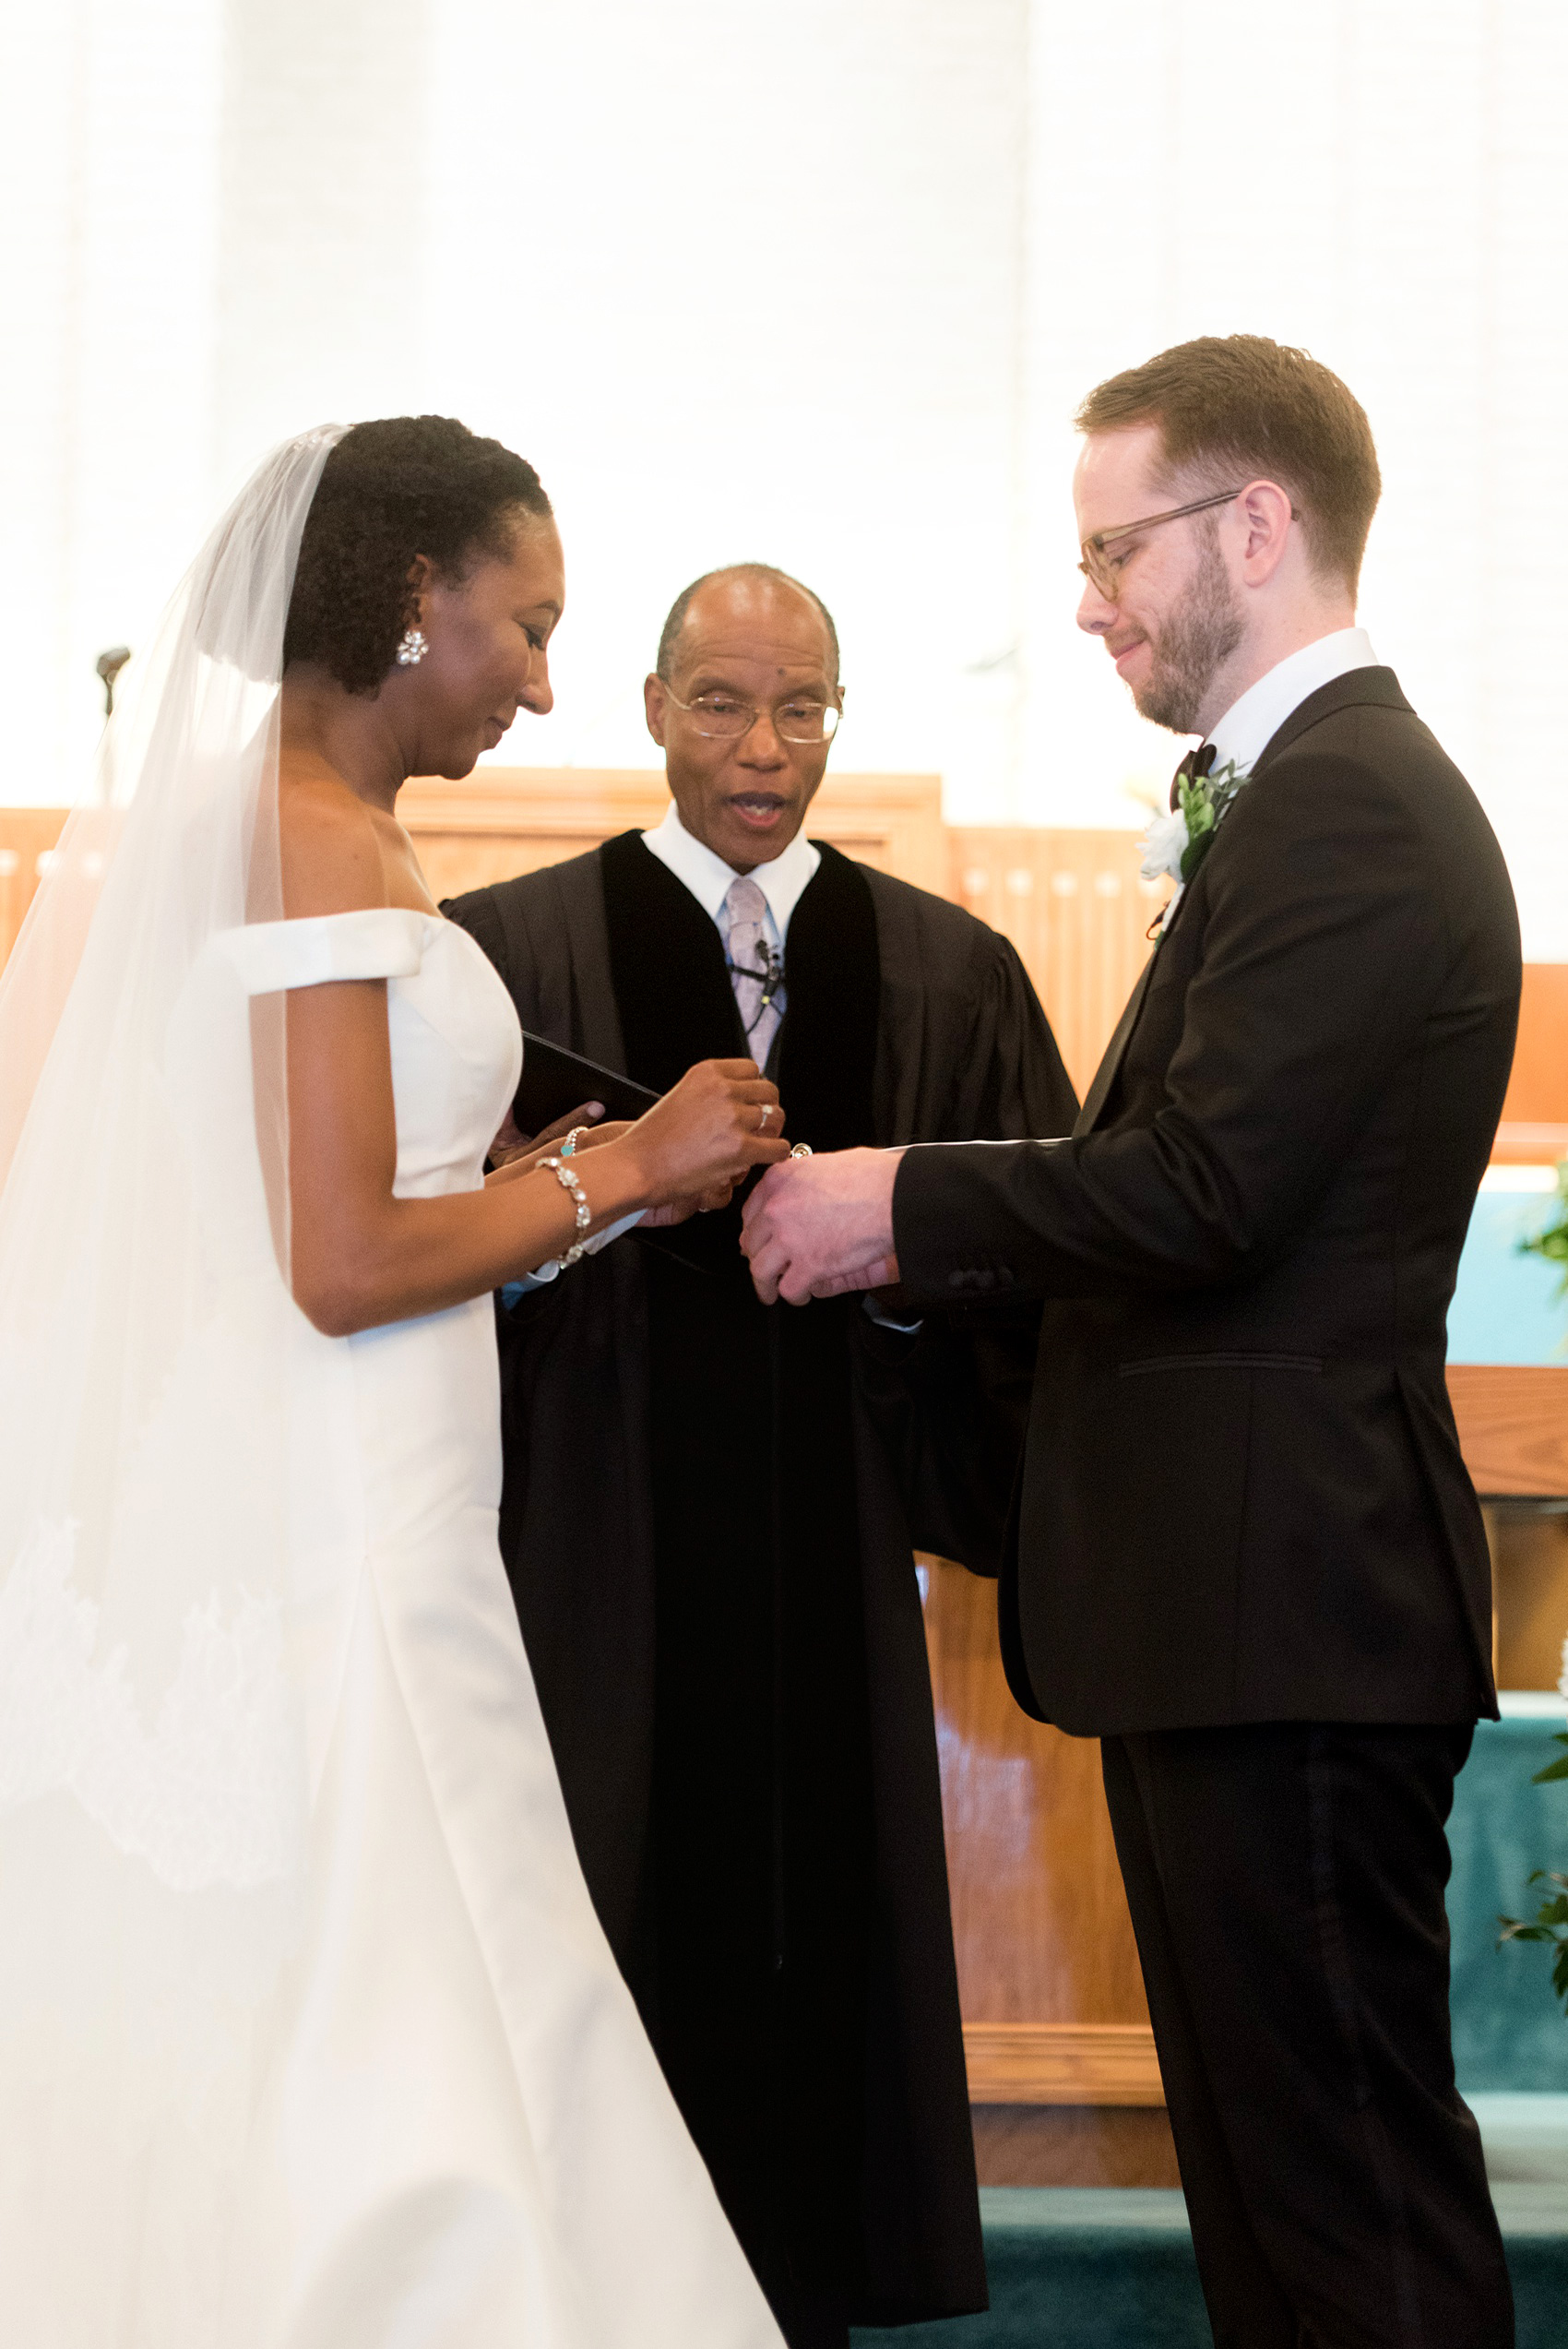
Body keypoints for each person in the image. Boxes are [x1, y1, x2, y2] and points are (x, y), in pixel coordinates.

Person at [741, 338, 1520, 2348]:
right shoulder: (1291, 802)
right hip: (1236, 1608)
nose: (1086, 601)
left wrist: (893, 1201)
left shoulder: (1350, 804)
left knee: (1349, 2207)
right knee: (1277, 2209)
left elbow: (1201, 1193)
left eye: (1113, 549)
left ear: (1256, 526)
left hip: (1293, 1608)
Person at [0, 416, 795, 2349]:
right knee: (424, 1977)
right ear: (412, 599)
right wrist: (629, 1167)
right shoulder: (311, 839)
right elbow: (344, 1260)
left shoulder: (293, 828)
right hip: (353, 1519)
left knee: (413, 1974)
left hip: (376, 1486)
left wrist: (564, 1188)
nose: (537, 678)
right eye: (521, 626)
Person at [444, 562, 1077, 2349]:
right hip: (591, 1569)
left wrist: (893, 1279)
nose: (761, 744)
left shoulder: (952, 971)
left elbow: (1040, 1280)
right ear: (651, 709)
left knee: (815, 1983)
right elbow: (411, 1262)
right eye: (721, 700)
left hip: (834, 1581)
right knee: (597, 1929)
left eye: (801, 705)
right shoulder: (504, 952)